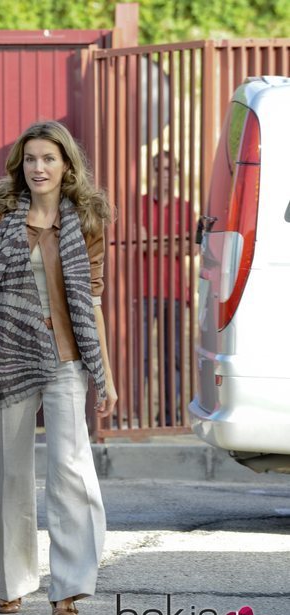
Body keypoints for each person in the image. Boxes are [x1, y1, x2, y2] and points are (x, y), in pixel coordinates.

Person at [0, 121, 117, 615]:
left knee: (70, 470)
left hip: (65, 357)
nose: (39, 168)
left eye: (49, 158)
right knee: (11, 472)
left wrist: (107, 375)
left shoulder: (87, 220)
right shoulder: (1, 214)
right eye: (30, 159)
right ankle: (13, 582)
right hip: (7, 355)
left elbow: (92, 299)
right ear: (20, 166)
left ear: (66, 165)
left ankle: (68, 587)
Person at [140, 150, 189, 426]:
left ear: (178, 173)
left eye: (170, 169)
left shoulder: (185, 206)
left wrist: (153, 243)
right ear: (153, 173)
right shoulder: (141, 204)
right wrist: (170, 245)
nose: (165, 175)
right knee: (143, 354)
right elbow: (138, 243)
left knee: (174, 356)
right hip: (145, 290)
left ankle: (170, 416)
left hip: (175, 292)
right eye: (160, 169)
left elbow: (191, 247)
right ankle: (136, 415)